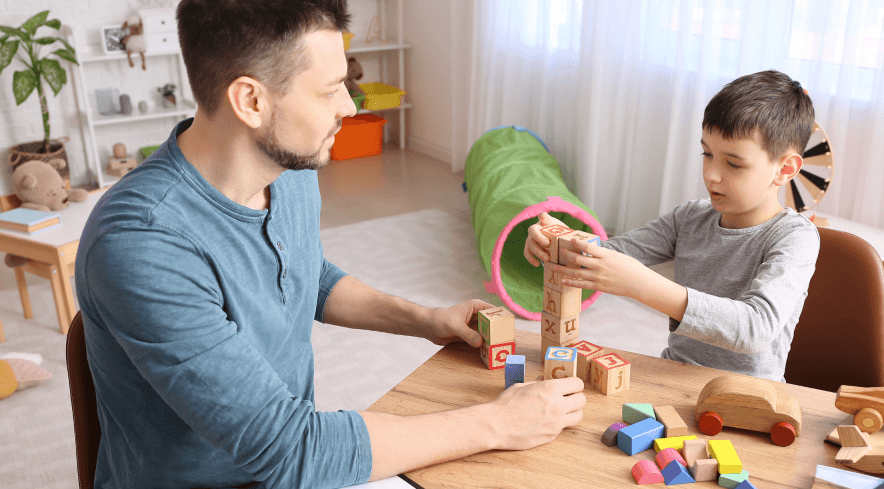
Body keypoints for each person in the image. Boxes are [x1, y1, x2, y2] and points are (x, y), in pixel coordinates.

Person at [75, 1, 585, 487]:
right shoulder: (142, 244)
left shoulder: (289, 167)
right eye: (330, 90)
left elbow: (306, 276)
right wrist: (496, 424)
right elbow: (292, 451)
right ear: (251, 100)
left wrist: (426, 321)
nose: (350, 105)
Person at [525, 69, 820, 383]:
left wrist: (641, 285)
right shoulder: (691, 217)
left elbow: (754, 328)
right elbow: (608, 255)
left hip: (747, 396)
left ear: (785, 169)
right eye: (707, 154)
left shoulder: (795, 238)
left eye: (733, 163)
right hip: (675, 375)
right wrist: (559, 240)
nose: (711, 175)